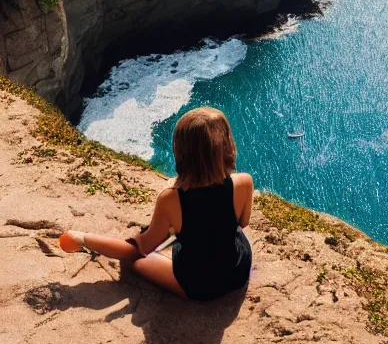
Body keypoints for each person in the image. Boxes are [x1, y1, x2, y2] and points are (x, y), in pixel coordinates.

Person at [59, 107, 254, 301]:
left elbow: (139, 249)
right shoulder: (244, 182)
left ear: (182, 151)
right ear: (226, 145)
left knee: (135, 262)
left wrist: (82, 237)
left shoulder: (171, 198)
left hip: (198, 285)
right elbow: (242, 224)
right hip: (237, 272)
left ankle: (79, 239)